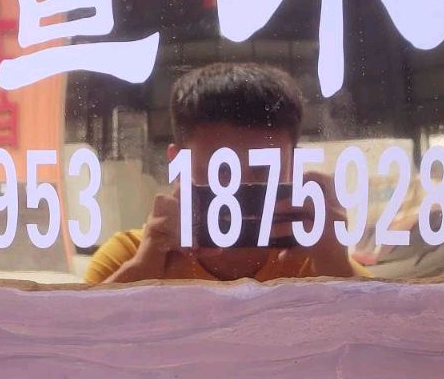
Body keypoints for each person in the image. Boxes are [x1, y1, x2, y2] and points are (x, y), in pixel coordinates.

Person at [85, 63, 360, 283]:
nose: (242, 189)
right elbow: (78, 337)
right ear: (178, 163)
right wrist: (145, 264)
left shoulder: (318, 258)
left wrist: (334, 263)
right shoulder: (128, 256)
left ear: (294, 167)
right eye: (222, 171)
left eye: (265, 171)